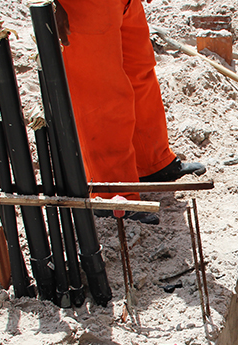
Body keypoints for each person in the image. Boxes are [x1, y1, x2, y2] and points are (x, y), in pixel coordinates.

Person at [54, 0, 205, 222]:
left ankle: (152, 166)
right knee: (101, 94)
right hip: (81, 6)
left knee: (139, 73)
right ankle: (113, 194)